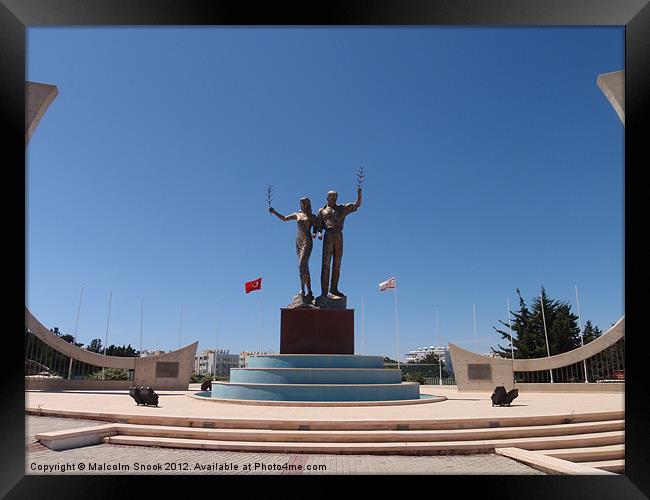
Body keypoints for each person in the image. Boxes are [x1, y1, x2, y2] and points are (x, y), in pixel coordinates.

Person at [316, 187, 362, 297]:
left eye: (335, 197)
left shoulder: (342, 208)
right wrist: (319, 233)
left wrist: (359, 194)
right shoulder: (321, 211)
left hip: (338, 236)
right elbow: (319, 226)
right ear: (327, 198)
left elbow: (357, 204)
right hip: (328, 235)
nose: (333, 199)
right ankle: (324, 291)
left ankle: (334, 289)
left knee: (337, 263)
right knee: (326, 264)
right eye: (331, 197)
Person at [269, 197, 318, 300]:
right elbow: (285, 218)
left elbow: (316, 227)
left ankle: (303, 289)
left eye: (304, 203)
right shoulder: (297, 214)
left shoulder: (312, 216)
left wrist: (314, 233)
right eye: (301, 203)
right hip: (298, 241)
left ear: (308, 204)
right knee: (304, 267)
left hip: (307, 241)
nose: (302, 205)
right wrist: (274, 212)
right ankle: (308, 291)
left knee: (302, 264)